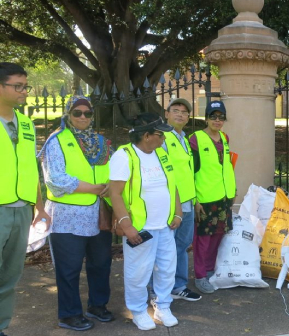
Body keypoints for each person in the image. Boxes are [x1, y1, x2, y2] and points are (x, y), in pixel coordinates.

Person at [39, 95, 114, 331]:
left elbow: (115, 171)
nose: (83, 117)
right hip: (67, 216)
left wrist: (111, 187)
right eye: (77, 113)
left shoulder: (102, 142)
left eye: (87, 113)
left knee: (101, 262)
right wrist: (95, 188)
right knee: (69, 267)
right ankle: (69, 314)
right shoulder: (56, 141)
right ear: (68, 114)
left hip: (98, 213)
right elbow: (56, 180)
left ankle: (97, 305)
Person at [109, 113, 183, 331]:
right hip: (141, 229)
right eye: (160, 135)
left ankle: (163, 306)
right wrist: (127, 226)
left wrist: (177, 213)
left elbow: (172, 186)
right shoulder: (125, 156)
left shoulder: (161, 154)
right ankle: (139, 310)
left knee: (167, 269)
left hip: (164, 226)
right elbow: (115, 193)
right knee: (138, 273)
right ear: (147, 136)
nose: (164, 139)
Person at [0, 62, 50, 336]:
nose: (24, 92)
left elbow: (30, 168)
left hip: (22, 210)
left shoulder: (27, 123)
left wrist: (39, 206)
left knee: (9, 275)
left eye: (25, 86)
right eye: (17, 86)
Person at [189, 101, 236, 294]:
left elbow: (226, 166)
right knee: (202, 239)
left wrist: (232, 190)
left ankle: (209, 269)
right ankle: (200, 275)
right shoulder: (195, 139)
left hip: (223, 197)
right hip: (204, 198)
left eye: (221, 117)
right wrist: (195, 200)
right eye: (213, 116)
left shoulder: (224, 138)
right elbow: (189, 172)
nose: (217, 120)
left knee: (218, 234)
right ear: (206, 118)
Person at [158, 98, 201, 301]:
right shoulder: (163, 138)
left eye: (184, 112)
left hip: (188, 202)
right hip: (171, 204)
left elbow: (187, 173)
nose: (180, 115)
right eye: (175, 110)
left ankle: (178, 285)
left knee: (182, 245)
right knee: (167, 247)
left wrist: (195, 200)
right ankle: (161, 288)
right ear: (167, 114)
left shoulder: (184, 138)